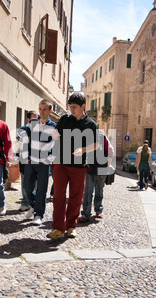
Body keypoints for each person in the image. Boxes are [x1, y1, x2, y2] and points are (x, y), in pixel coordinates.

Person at [48, 93, 99, 239]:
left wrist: (82, 150)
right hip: (60, 163)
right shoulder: (64, 119)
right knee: (58, 196)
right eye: (70, 106)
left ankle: (71, 226)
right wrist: (54, 135)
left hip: (78, 165)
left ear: (83, 106)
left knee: (76, 197)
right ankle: (57, 228)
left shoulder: (91, 124)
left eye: (74, 107)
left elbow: (96, 145)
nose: (71, 109)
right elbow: (56, 135)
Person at [21, 100, 57, 226]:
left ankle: (38, 214)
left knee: (41, 189)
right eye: (40, 109)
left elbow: (57, 145)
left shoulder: (54, 126)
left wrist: (49, 160)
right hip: (31, 160)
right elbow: (24, 138)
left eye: (45, 109)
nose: (41, 112)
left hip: (44, 163)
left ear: (50, 111)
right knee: (27, 187)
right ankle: (33, 205)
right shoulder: (32, 123)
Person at [79, 131, 115, 222]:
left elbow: (110, 150)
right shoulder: (85, 136)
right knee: (90, 191)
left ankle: (96, 210)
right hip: (89, 168)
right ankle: (89, 212)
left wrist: (108, 165)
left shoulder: (101, 136)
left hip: (99, 168)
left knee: (94, 191)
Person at [16, 111, 38, 212]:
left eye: (37, 118)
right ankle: (25, 202)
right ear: (28, 119)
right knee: (25, 183)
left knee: (37, 184)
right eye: (33, 119)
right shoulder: (22, 130)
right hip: (25, 160)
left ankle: (35, 204)